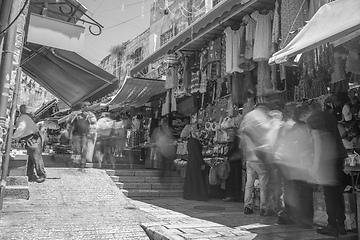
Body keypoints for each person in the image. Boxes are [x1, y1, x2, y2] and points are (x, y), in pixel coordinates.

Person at [297, 103, 347, 237]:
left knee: (329, 193)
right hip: (339, 155)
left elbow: (319, 141)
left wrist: (315, 163)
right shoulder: (329, 116)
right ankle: (341, 225)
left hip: (326, 158)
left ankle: (332, 225)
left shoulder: (313, 120)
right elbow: (341, 132)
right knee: (337, 192)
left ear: (305, 113)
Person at [240, 105, 272, 216]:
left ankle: (247, 206)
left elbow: (243, 137)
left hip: (249, 156)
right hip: (260, 155)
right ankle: (263, 208)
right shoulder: (263, 118)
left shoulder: (247, 117)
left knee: (249, 183)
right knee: (263, 183)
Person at [13, 104, 46, 183]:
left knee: (36, 157)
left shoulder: (23, 118)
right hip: (31, 138)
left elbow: (21, 128)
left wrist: (13, 137)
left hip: (32, 138)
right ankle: (29, 175)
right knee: (31, 158)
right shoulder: (26, 117)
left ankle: (41, 175)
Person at [67, 102, 97, 168]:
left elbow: (94, 126)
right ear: (82, 107)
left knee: (84, 148)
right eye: (85, 106)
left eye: (88, 105)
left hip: (85, 135)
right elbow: (70, 123)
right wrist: (70, 134)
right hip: (76, 134)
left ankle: (82, 162)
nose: (87, 107)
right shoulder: (75, 114)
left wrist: (92, 134)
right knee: (76, 148)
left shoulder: (91, 116)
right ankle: (76, 162)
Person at [183, 124, 208, 201]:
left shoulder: (190, 141)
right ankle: (196, 195)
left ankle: (189, 194)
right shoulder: (195, 141)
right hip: (195, 162)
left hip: (191, 161)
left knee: (191, 178)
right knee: (196, 178)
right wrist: (202, 163)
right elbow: (198, 153)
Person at [223, 127, 243, 202]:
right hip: (232, 163)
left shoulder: (237, 140)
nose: (230, 133)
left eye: (232, 132)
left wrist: (227, 155)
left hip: (236, 162)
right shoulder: (231, 140)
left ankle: (235, 196)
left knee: (235, 179)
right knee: (231, 179)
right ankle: (231, 195)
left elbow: (234, 150)